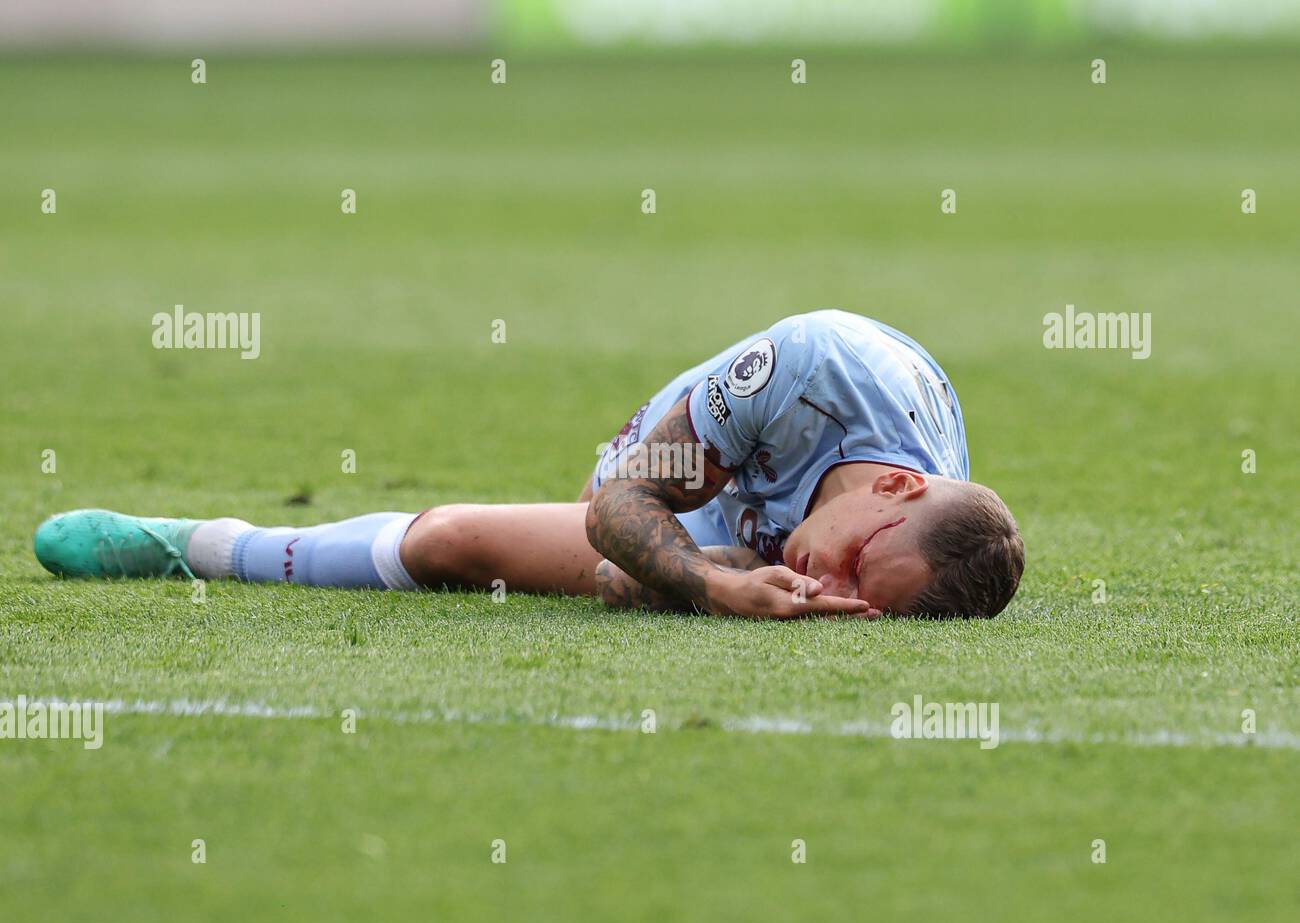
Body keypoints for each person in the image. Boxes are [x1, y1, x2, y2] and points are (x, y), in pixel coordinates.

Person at [33, 310, 1023, 620]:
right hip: (684, 470)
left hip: (751, 518)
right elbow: (620, 506)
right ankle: (187, 545)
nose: (829, 586)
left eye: (861, 599)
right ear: (896, 485)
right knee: (458, 539)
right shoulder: (814, 369)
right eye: (854, 565)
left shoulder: (927, 534)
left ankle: (652, 587)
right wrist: (706, 582)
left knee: (598, 577)